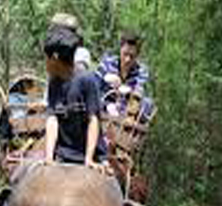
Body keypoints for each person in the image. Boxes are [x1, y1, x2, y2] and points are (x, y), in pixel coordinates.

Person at [44, 25, 107, 170]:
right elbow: (52, 119)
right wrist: (49, 156)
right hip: (63, 155)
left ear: (55, 58)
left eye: (46, 58)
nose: (45, 63)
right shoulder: (54, 83)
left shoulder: (87, 80)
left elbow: (93, 120)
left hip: (86, 153)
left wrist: (89, 159)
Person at [94, 30, 154, 120]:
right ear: (120, 49)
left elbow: (147, 105)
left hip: (127, 121)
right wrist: (106, 105)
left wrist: (130, 93)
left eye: (132, 56)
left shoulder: (142, 73)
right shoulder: (107, 65)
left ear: (137, 55)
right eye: (125, 54)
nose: (127, 59)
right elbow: (92, 91)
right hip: (103, 116)